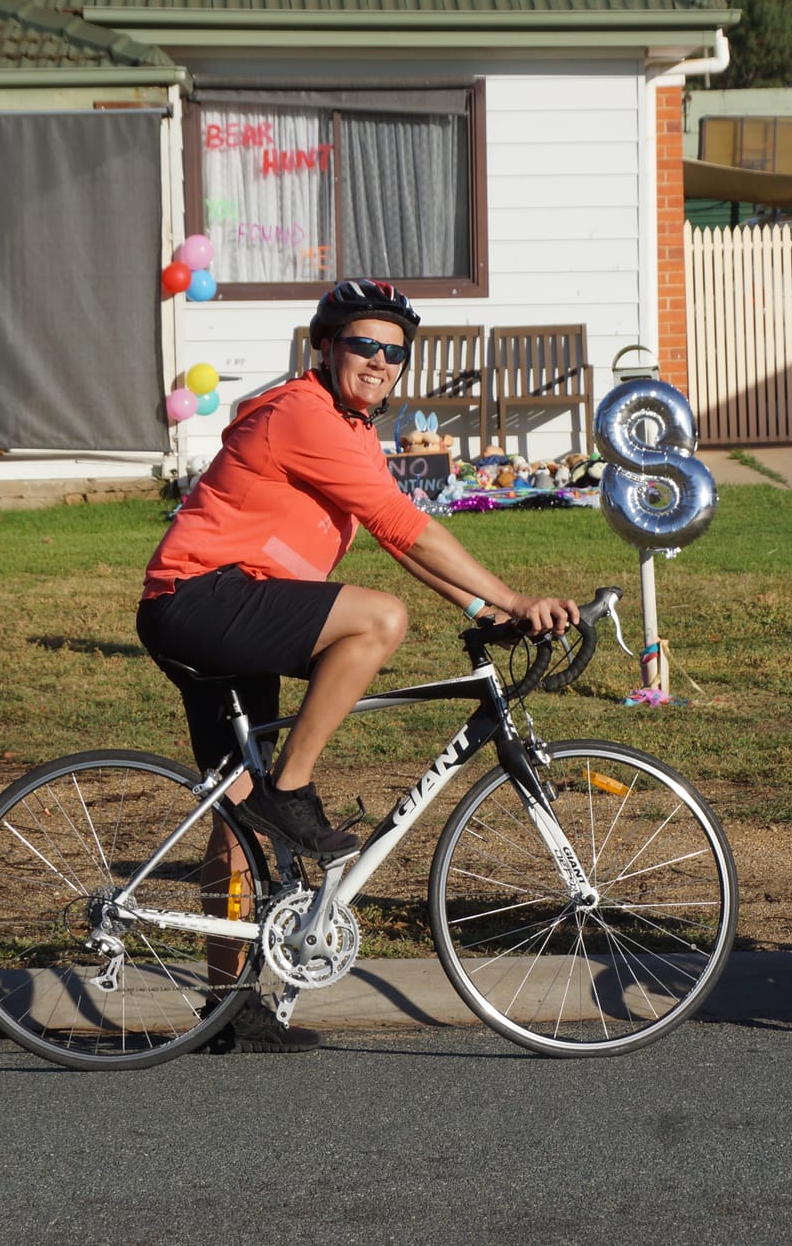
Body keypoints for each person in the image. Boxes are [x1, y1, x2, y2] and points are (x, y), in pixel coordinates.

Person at [137, 278, 580, 1051]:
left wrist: (485, 612)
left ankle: (224, 1005)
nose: (379, 361)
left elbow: (394, 539)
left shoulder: (344, 427)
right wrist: (511, 594)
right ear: (325, 348)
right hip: (205, 600)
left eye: (394, 352)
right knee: (378, 620)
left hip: (218, 606)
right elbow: (403, 523)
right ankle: (295, 789)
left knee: (235, 810)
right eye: (362, 345)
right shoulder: (305, 414)